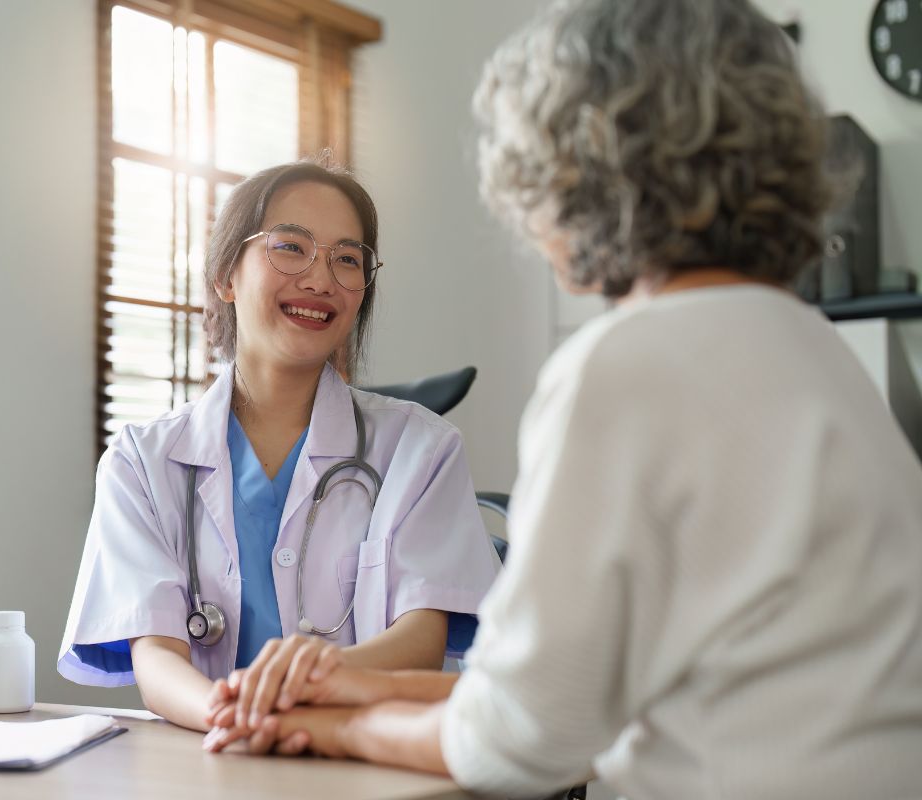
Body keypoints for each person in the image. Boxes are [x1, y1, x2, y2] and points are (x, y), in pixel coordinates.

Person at [202, 1, 922, 797]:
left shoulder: (625, 365)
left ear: (581, 170)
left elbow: (520, 740)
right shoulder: (817, 353)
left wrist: (319, 727)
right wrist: (353, 686)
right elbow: (563, 694)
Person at [57, 160, 501, 733]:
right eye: (290, 248)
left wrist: (298, 692)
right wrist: (236, 717)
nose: (320, 280)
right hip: (212, 753)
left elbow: (420, 638)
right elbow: (157, 655)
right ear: (225, 276)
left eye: (347, 259)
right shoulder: (141, 461)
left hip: (361, 762)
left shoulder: (422, 449)